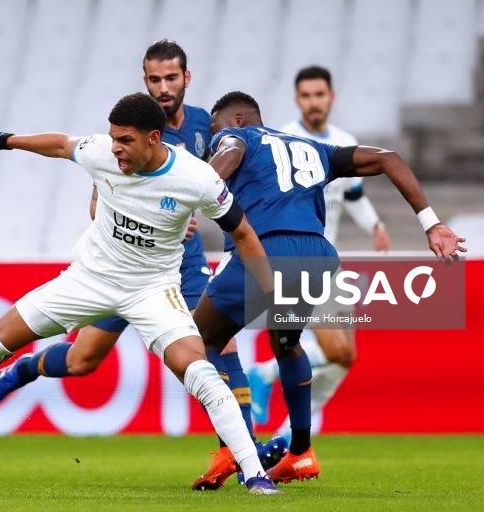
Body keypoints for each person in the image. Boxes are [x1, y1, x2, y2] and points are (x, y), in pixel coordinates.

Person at [0, 40, 286, 475]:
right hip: (119, 265)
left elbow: (229, 176)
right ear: (145, 80)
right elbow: (96, 203)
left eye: (171, 78)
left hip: (181, 263)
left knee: (218, 342)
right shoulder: (126, 136)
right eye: (154, 79)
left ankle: (237, 452)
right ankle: (26, 367)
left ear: (186, 78)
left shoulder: (206, 127)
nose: (163, 87)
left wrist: (188, 214)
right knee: (83, 361)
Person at [190, 91, 465, 485]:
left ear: (235, 120)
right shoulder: (314, 148)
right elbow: (389, 159)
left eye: (215, 128)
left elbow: (229, 151)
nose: (214, 137)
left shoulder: (238, 137)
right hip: (317, 257)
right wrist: (432, 223)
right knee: (286, 343)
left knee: (198, 342)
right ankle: (300, 452)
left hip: (265, 250)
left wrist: (192, 191)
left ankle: (233, 449)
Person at [248, 65, 391, 437]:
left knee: (345, 357)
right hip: (298, 261)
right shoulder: (283, 141)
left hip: (331, 261)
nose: (314, 102)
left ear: (331, 97)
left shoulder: (344, 142)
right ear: (298, 99)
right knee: (332, 349)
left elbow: (354, 196)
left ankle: (285, 442)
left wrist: (375, 225)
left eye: (320, 95)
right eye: (307, 96)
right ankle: (263, 374)